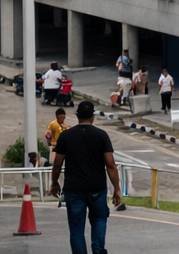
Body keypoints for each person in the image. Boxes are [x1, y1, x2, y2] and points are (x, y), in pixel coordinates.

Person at [50, 100, 122, 254]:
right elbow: (110, 164)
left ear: (77, 116)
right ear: (92, 116)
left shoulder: (65, 136)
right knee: (99, 219)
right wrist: (117, 188)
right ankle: (98, 250)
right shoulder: (101, 135)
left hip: (73, 190)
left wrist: (54, 183)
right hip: (97, 189)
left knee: (76, 229)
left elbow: (57, 164)